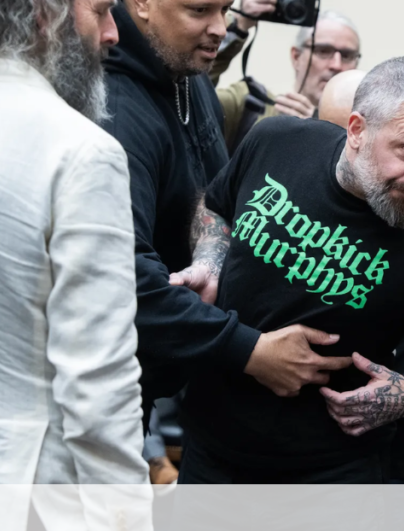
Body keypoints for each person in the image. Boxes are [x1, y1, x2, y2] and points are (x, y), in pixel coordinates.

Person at [175, 56, 404, 484]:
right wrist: (209, 258)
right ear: (357, 130)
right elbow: (216, 206)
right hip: (210, 451)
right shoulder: (275, 141)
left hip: (331, 477)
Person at [103, 0, 338, 421]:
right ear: (141, 4)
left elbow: (211, 199)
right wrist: (249, 350)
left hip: (164, 377)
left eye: (225, 9)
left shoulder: (190, 80)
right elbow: (123, 279)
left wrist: (210, 258)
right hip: (106, 391)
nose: (219, 27)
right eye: (199, 10)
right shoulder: (117, 112)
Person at [0, 0, 151, 531]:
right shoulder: (82, 151)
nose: (113, 34)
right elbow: (98, 380)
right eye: (99, 11)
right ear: (43, 19)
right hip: (24, 499)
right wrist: (127, 523)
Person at [213, 9, 361, 152]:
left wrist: (322, 129)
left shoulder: (363, 134)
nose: (336, 65)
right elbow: (193, 93)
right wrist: (239, 24)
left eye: (347, 55)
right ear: (296, 57)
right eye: (323, 51)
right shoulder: (246, 104)